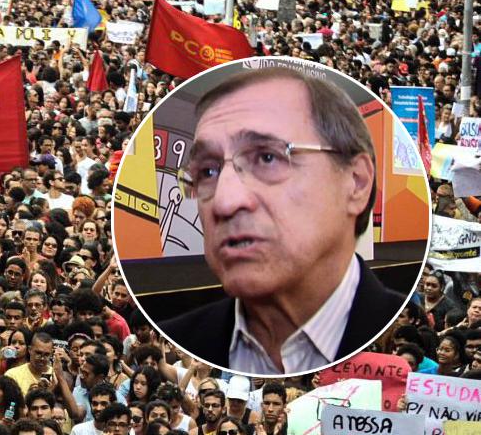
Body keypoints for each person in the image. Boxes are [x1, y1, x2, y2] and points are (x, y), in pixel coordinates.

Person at [159, 66, 405, 374]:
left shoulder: (402, 329)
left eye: (267, 157)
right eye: (208, 171)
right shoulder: (181, 339)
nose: (224, 201)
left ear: (356, 182)